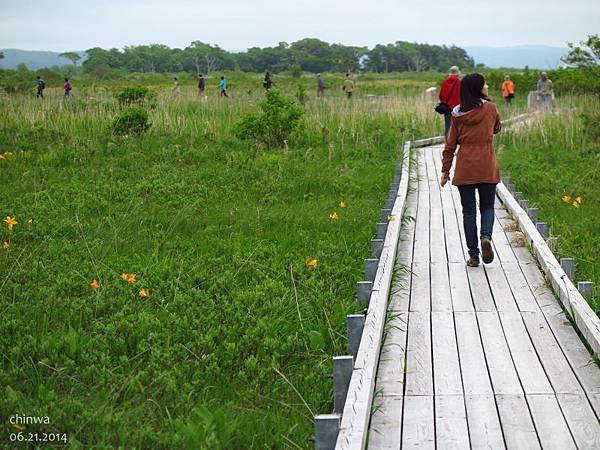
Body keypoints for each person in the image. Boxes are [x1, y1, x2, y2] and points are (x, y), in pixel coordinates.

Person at [440, 73, 502, 267]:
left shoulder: (457, 114)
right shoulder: (490, 108)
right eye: (485, 84)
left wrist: (445, 171)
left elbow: (450, 146)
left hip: (465, 167)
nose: (488, 86)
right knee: (487, 207)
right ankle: (486, 236)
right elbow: (497, 128)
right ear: (478, 88)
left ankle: (474, 256)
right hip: (486, 165)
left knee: (469, 212)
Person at [439, 66, 462, 135]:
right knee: (458, 125)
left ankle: (447, 142)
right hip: (457, 107)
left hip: (447, 107)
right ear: (458, 73)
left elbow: (441, 95)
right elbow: (462, 95)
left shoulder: (445, 82)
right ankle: (456, 141)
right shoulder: (460, 82)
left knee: (447, 125)